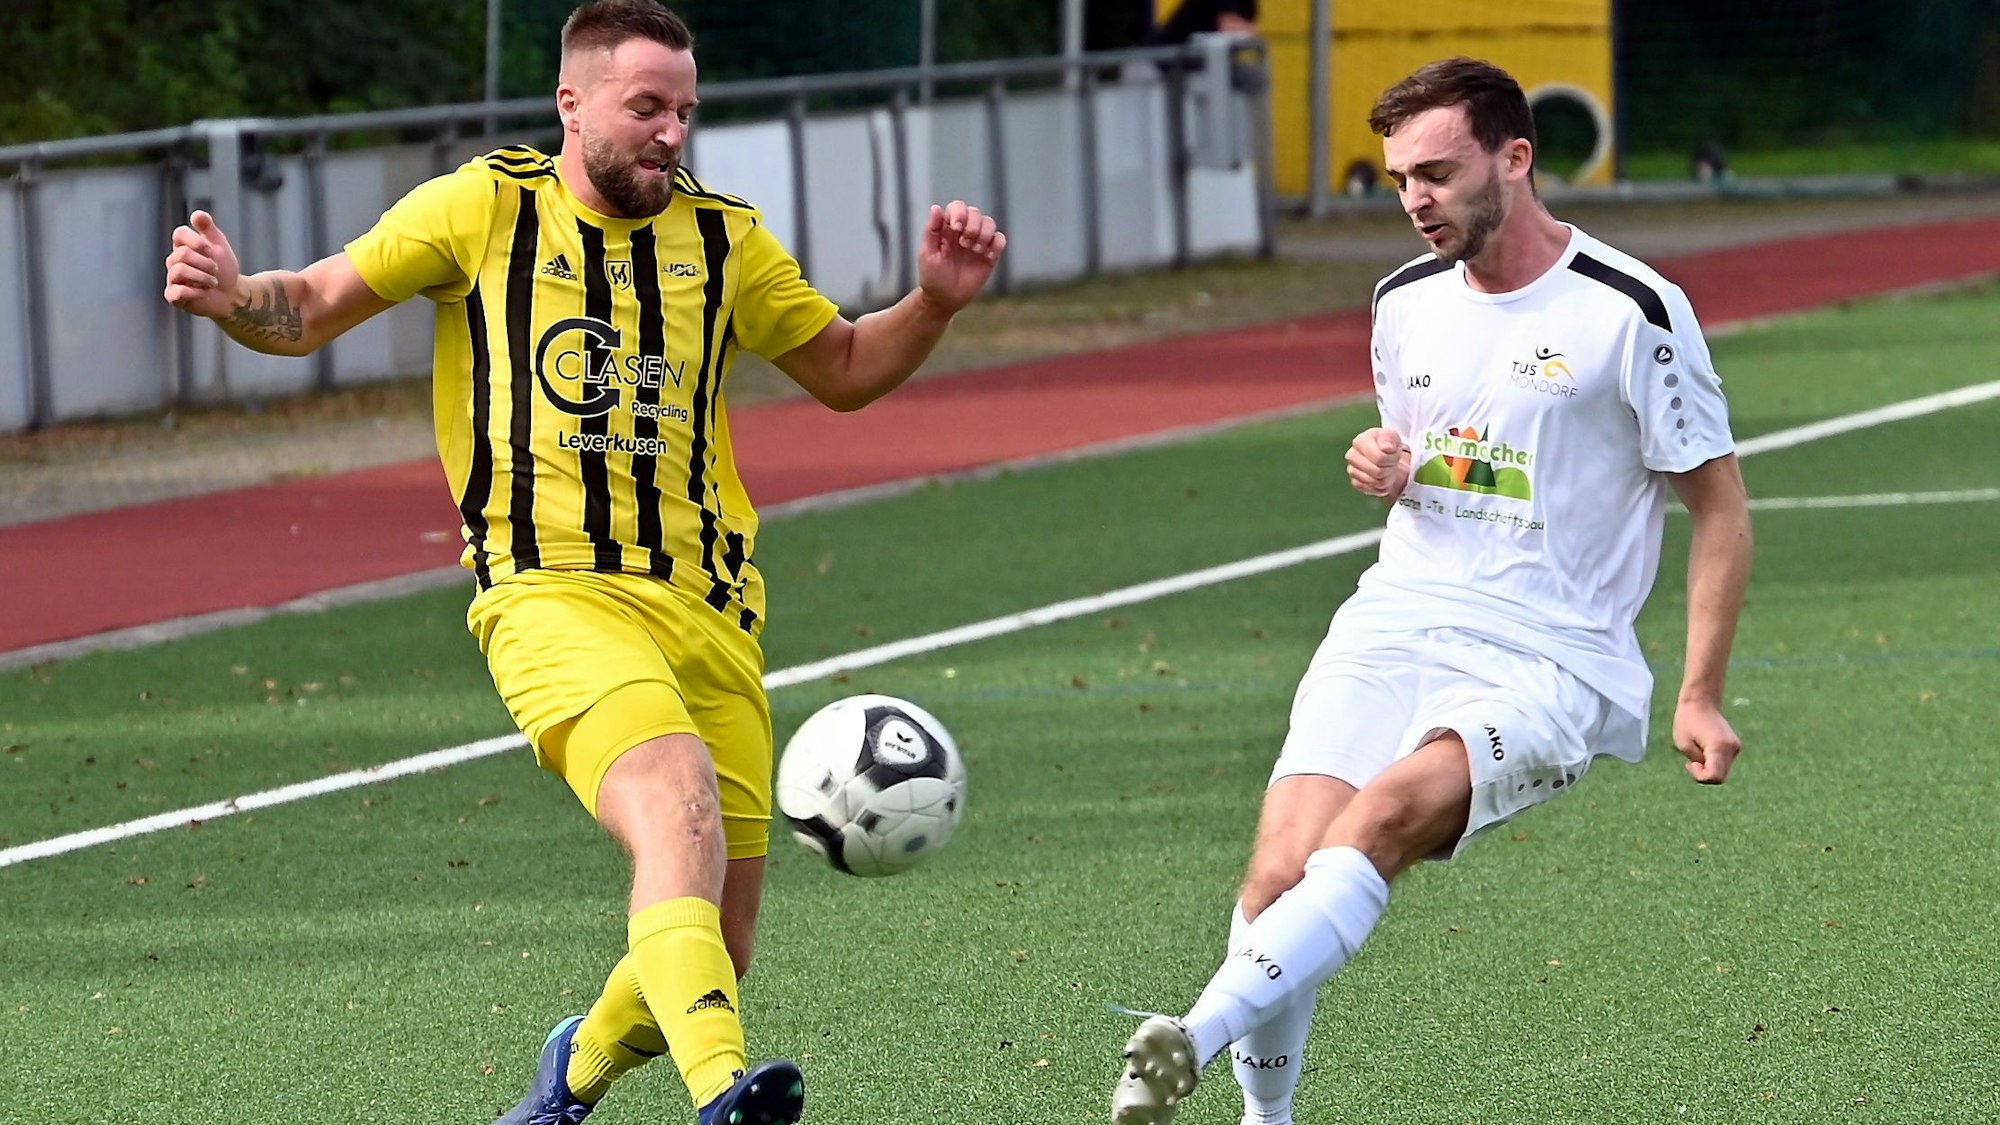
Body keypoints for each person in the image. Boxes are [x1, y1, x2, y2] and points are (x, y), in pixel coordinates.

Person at [162, 3, 1005, 1123]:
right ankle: (725, 1094)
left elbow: (845, 367)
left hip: (711, 615)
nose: (670, 133)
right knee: (676, 807)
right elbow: (311, 305)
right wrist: (234, 300)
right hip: (551, 596)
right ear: (573, 103)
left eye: (685, 112)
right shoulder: (482, 206)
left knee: (720, 939)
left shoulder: (723, 238)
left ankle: (569, 1081)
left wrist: (933, 306)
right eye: (646, 107)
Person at [1109, 56, 1752, 1125]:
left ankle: (1189, 1035)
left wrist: (1695, 691)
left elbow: (1719, 508)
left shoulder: (1630, 309)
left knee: (1377, 825)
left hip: (1552, 658)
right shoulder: (1399, 300)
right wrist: (1388, 463)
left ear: (1514, 158)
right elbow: (1440, 450)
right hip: (1398, 615)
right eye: (1400, 176)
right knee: (1275, 879)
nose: (1413, 198)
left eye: (1437, 172)